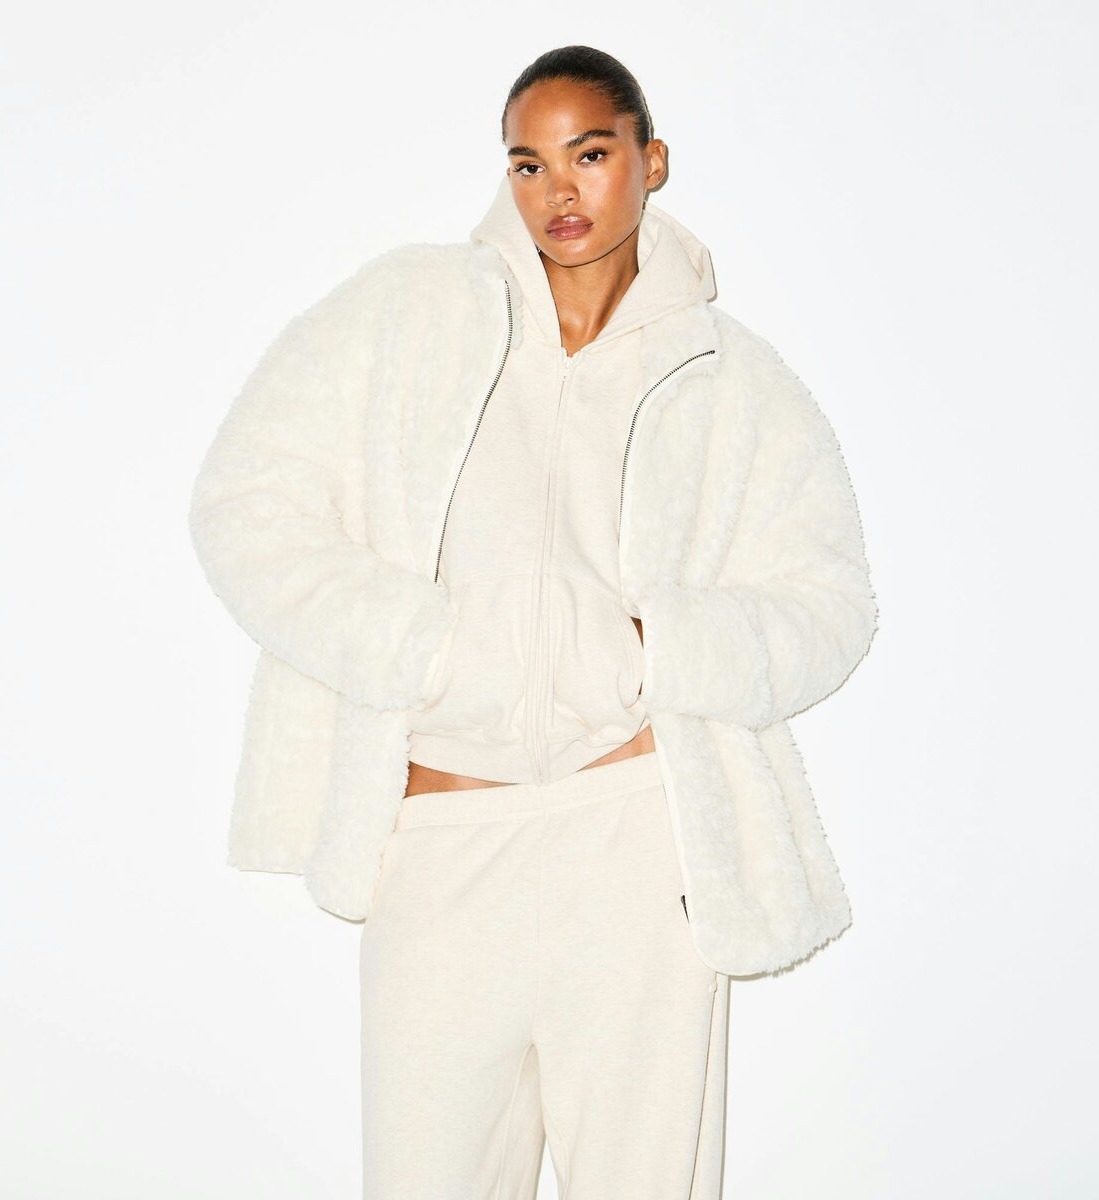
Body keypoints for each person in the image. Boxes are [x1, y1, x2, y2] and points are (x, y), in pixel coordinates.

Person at [188, 44, 878, 1200]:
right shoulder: (408, 315)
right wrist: (418, 647)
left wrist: (656, 649)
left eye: (589, 155)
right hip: (443, 842)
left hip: (634, 842)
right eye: (528, 163)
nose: (558, 191)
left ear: (651, 160)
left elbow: (832, 606)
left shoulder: (729, 378)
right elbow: (244, 506)